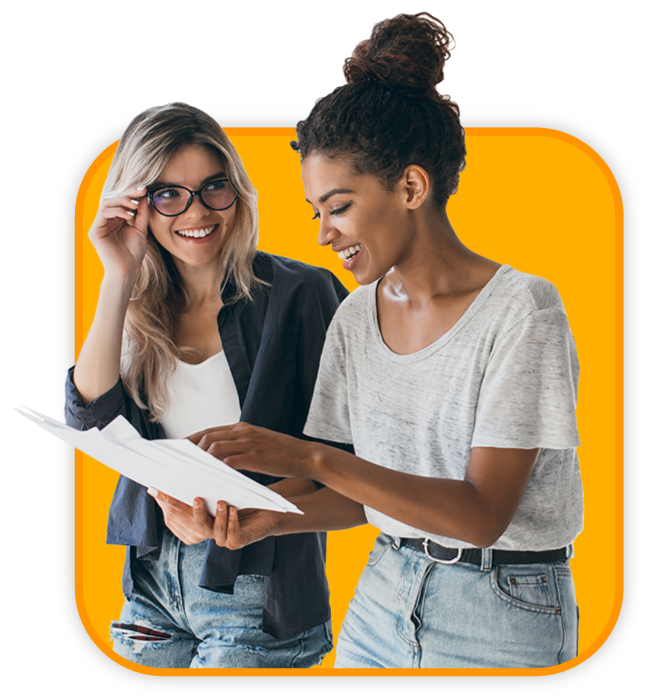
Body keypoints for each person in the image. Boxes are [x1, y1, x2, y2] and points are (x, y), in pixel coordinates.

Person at [186, 13, 583, 669]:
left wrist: (307, 460)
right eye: (315, 212)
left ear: (409, 186)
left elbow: (480, 515)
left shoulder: (521, 311)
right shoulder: (354, 315)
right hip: (380, 597)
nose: (321, 234)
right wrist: (273, 515)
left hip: (502, 607)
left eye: (337, 206)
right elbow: (363, 499)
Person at [64, 102, 350, 668]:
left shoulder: (302, 294)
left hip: (255, 588)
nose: (196, 211)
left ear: (238, 192)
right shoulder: (138, 305)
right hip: (150, 586)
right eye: (168, 194)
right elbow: (92, 421)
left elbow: (349, 464)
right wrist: (117, 275)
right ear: (137, 205)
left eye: (214, 187)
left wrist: (238, 519)